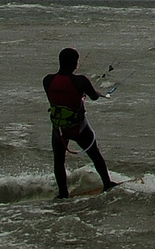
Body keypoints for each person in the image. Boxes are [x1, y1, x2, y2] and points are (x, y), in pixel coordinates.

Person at [43, 47, 116, 198]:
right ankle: (107, 183)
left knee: (59, 160)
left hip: (59, 129)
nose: (77, 65)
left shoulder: (47, 80)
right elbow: (94, 97)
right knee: (95, 154)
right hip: (79, 128)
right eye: (75, 62)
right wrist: (94, 92)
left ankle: (63, 193)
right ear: (72, 63)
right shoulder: (81, 81)